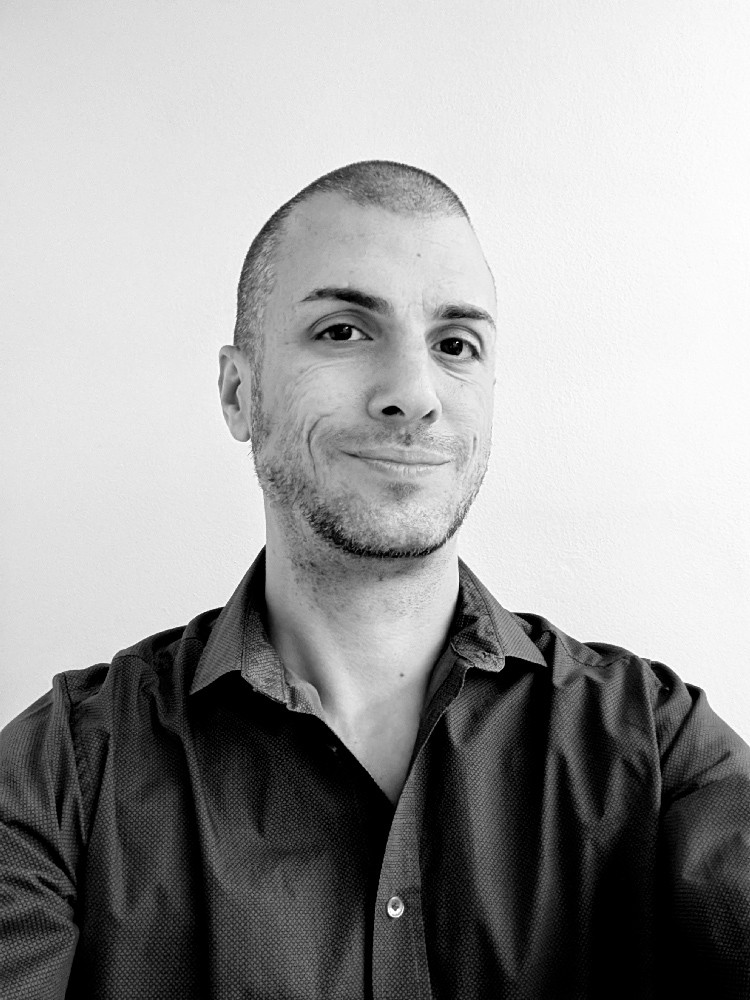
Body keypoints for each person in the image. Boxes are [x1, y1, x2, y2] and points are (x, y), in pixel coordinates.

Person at [1, 160, 749, 1000]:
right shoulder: (63, 775)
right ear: (239, 393)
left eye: (455, 345)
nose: (413, 394)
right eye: (343, 332)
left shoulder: (657, 746)